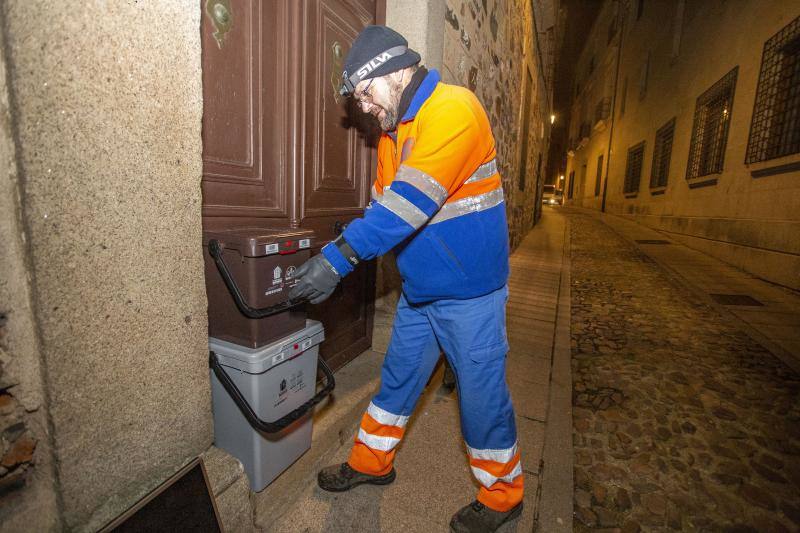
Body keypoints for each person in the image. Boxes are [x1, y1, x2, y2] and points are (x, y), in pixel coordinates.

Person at [289, 25, 523, 533]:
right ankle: (371, 464)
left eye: (365, 94)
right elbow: (382, 212)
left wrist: (335, 260)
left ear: (394, 71)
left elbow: (406, 205)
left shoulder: (455, 111)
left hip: (471, 298)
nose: (366, 109)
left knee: (482, 403)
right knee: (396, 383)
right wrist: (348, 254)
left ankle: (504, 495)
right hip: (422, 295)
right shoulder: (391, 140)